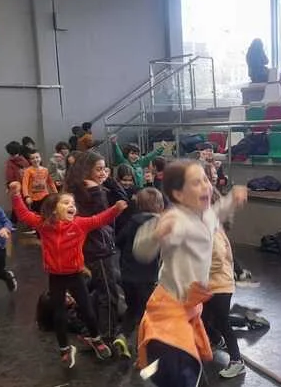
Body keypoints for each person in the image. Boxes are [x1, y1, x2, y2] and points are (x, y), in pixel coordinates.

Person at [134, 160, 248, 387]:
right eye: (196, 182)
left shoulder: (205, 215)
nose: (206, 186)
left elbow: (217, 211)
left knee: (189, 381)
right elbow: (142, 249)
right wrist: (156, 233)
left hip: (187, 311)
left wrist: (232, 200)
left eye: (206, 180)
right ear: (177, 194)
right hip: (168, 312)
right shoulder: (177, 221)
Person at [9, 182, 128, 368]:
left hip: (75, 275)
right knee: (59, 315)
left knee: (88, 311)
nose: (71, 206)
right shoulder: (44, 225)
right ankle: (65, 349)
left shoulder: (79, 224)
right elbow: (24, 214)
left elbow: (99, 219)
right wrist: (16, 195)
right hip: (56, 277)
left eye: (72, 204)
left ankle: (96, 339)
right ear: (53, 210)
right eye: (65, 203)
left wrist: (115, 209)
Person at [65, 151, 128, 354]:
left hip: (93, 247)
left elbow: (121, 199)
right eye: (99, 169)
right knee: (108, 294)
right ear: (87, 170)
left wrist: (106, 180)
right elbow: (104, 217)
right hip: (97, 249)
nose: (103, 173)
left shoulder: (81, 188)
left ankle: (93, 331)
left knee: (99, 291)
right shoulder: (89, 192)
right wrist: (99, 188)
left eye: (104, 169)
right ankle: (106, 337)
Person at [202, 190, 246, 378]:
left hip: (220, 285)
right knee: (203, 318)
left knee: (222, 322)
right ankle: (216, 340)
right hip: (211, 284)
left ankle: (237, 360)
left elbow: (218, 260)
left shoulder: (212, 231)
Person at [115, 187, 165, 352]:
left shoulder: (132, 221)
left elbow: (118, 241)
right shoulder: (160, 224)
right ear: (160, 205)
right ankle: (145, 346)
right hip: (147, 277)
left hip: (127, 275)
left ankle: (122, 335)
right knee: (148, 311)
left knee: (132, 308)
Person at [4, 141, 30, 226]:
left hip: (15, 186)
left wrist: (8, 186)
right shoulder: (24, 161)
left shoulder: (10, 162)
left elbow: (9, 176)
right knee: (25, 204)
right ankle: (26, 222)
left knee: (16, 203)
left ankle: (13, 222)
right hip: (25, 186)